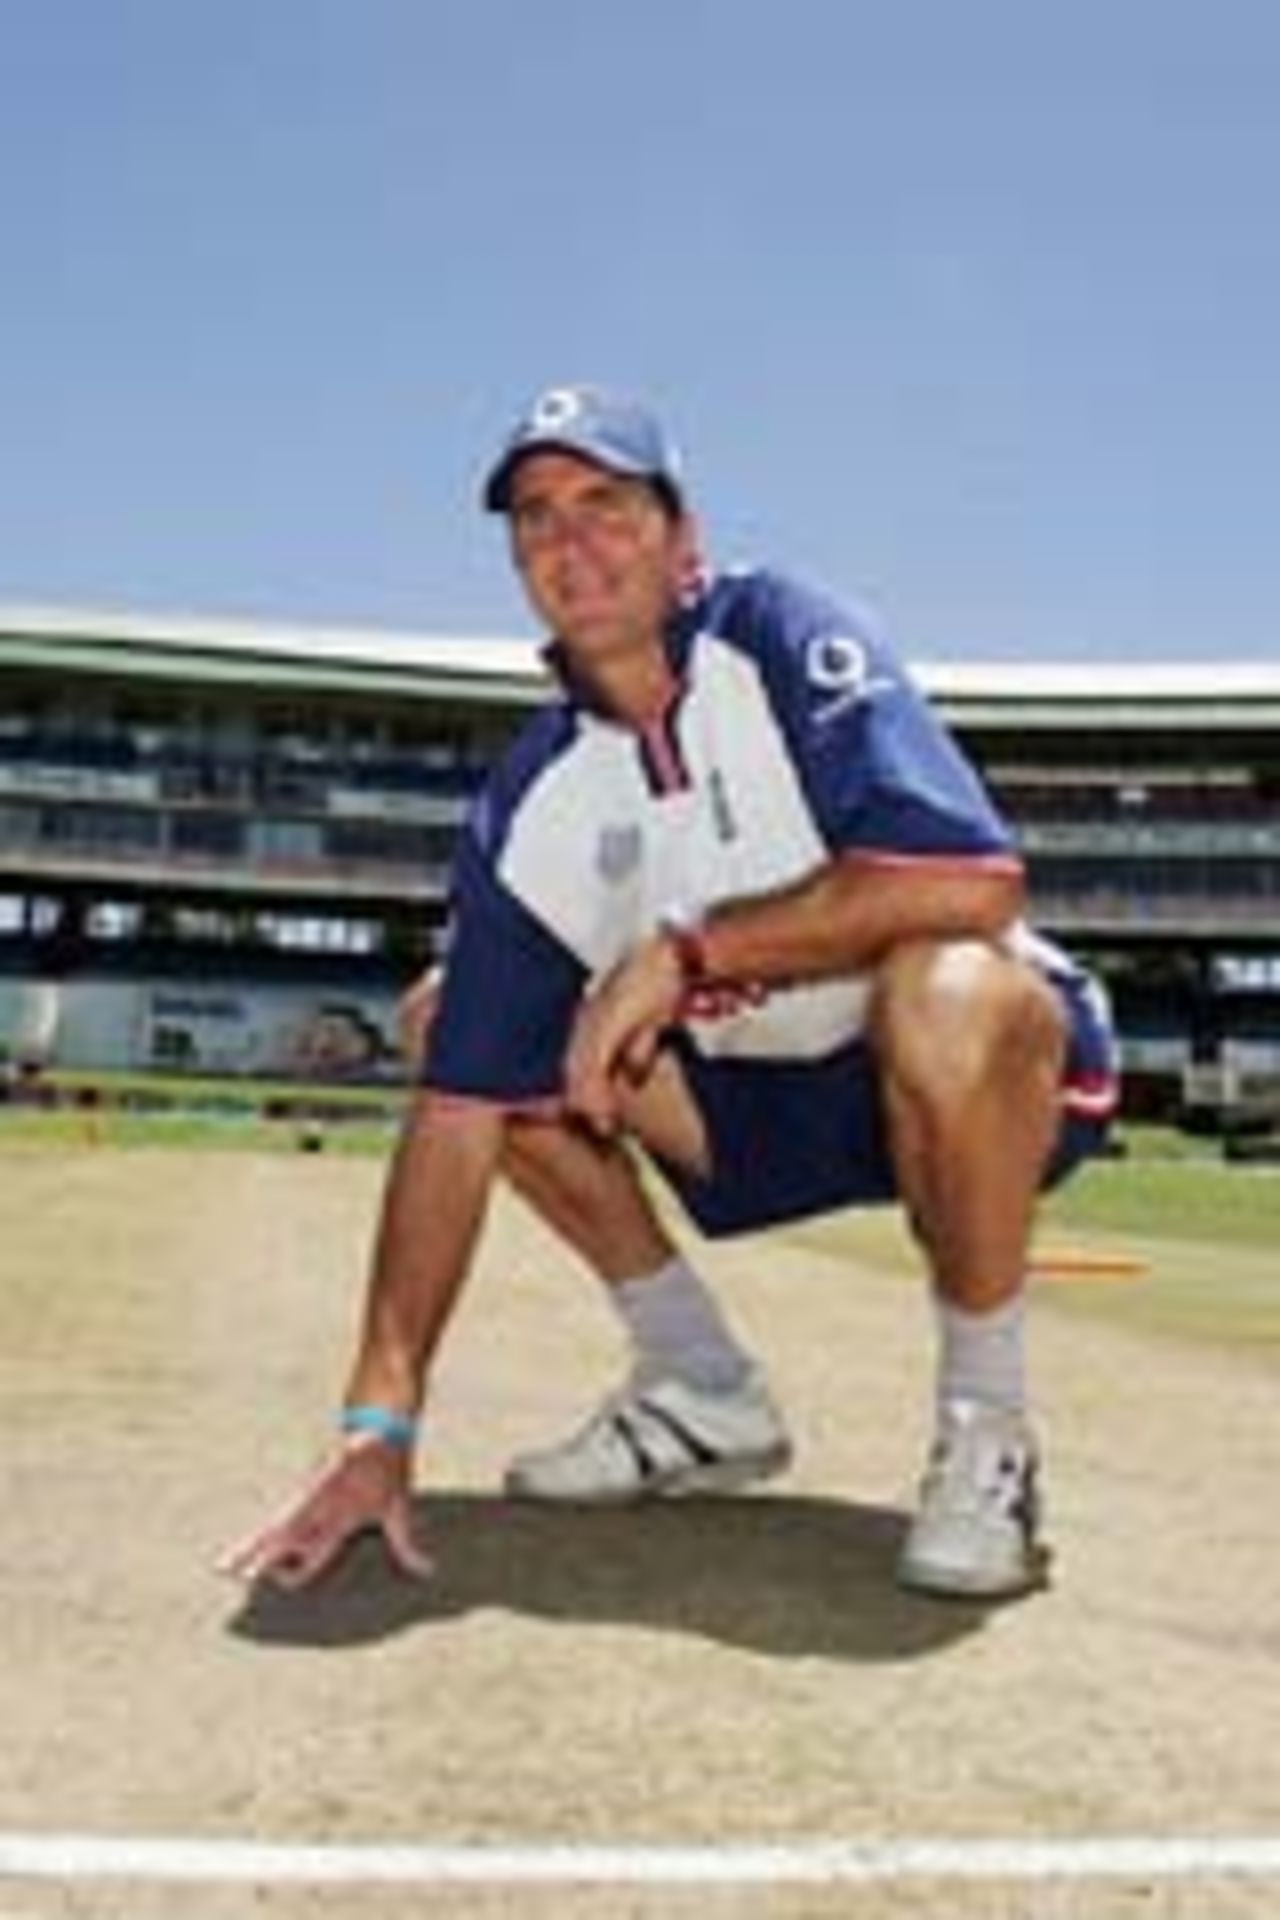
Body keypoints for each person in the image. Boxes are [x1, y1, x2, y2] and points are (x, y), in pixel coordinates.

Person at [223, 383, 1117, 1602]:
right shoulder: (531, 802)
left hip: (992, 1077)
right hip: (758, 1104)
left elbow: (971, 881)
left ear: (679, 534)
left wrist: (685, 951)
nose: (570, 540)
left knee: (945, 984)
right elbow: (453, 1117)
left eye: (605, 503)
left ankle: (985, 1430)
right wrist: (378, 1426)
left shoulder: (781, 632)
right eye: (535, 518)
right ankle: (700, 1386)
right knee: (457, 1024)